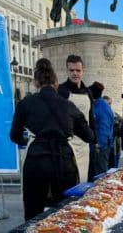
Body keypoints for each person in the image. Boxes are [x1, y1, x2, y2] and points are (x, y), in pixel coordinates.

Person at [9, 58, 95, 220]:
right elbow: (89, 136)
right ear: (56, 83)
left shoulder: (25, 104)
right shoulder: (68, 106)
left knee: (33, 211)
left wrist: (26, 140)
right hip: (64, 160)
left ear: (35, 83)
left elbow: (14, 135)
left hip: (36, 159)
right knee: (65, 211)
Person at [57, 54, 94, 186]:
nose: (75, 73)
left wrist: (94, 140)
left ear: (83, 71)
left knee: (84, 181)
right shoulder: (61, 91)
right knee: (70, 182)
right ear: (67, 71)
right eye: (71, 70)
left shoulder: (88, 92)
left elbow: (90, 117)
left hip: (85, 145)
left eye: (78, 70)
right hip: (68, 145)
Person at [86, 81, 114, 179]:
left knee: (100, 175)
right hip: (98, 146)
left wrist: (99, 144)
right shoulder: (101, 106)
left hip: (100, 147)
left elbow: (103, 128)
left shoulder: (101, 108)